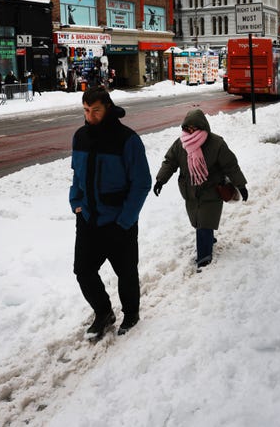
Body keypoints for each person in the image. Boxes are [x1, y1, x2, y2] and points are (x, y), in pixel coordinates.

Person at [69, 86, 151, 337]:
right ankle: (104, 312)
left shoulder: (127, 139)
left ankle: (131, 314)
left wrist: (125, 220)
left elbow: (141, 183)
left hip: (118, 221)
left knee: (126, 272)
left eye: (95, 111)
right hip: (89, 219)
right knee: (83, 271)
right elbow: (77, 175)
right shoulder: (80, 137)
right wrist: (76, 202)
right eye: (86, 110)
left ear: (108, 109)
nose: (90, 116)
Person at [152, 109, 247, 269]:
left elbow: (231, 165)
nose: (190, 131)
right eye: (187, 128)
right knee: (198, 221)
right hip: (189, 191)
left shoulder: (216, 143)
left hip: (211, 190)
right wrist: (160, 180)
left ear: (203, 127)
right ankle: (208, 238)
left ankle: (204, 257)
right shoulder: (180, 144)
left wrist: (241, 185)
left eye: (194, 128)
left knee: (204, 223)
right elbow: (170, 162)